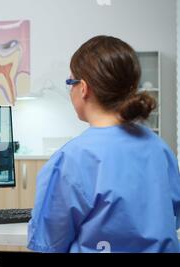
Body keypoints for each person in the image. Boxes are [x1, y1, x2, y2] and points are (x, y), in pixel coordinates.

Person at [27, 36, 180, 253]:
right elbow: (172, 217)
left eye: (70, 82)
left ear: (83, 89)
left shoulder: (71, 159)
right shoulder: (160, 148)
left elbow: (50, 241)